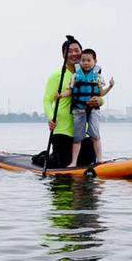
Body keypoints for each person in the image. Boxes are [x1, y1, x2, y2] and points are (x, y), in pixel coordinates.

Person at [40, 36, 88, 168]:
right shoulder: (57, 76)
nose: (74, 54)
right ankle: (43, 157)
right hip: (62, 129)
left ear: (82, 52)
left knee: (87, 161)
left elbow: (99, 96)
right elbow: (47, 100)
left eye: (77, 50)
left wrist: (99, 101)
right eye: (70, 51)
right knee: (62, 163)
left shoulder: (88, 74)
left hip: (84, 128)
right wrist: (51, 118)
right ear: (64, 55)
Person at [65, 47, 115, 170]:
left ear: (95, 61)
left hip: (93, 110)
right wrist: (60, 95)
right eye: (83, 60)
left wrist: (110, 86)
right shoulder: (76, 76)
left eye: (88, 60)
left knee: (95, 136)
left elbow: (101, 93)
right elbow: (70, 91)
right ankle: (73, 162)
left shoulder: (97, 77)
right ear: (80, 62)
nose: (86, 63)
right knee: (77, 138)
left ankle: (99, 160)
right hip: (79, 110)